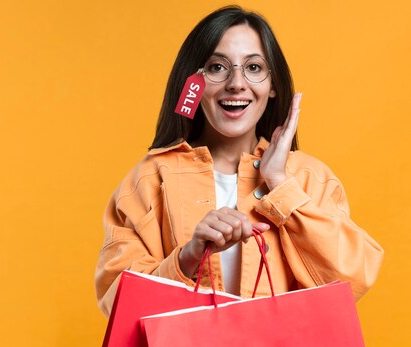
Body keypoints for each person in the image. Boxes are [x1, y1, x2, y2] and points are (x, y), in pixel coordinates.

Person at [94, 5, 384, 317]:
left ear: (272, 86)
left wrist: (280, 184)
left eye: (254, 67)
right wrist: (187, 258)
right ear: (194, 84)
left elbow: (352, 280)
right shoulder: (150, 179)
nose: (236, 83)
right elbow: (118, 303)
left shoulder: (310, 178)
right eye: (217, 67)